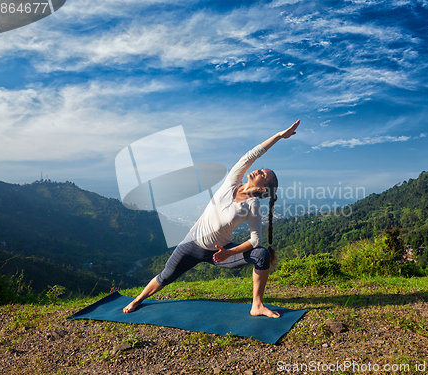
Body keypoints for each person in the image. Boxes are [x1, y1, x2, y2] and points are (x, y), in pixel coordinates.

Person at [123, 120, 300, 317]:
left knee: (262, 254)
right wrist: (278, 136)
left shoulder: (252, 206)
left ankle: (257, 305)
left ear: (261, 188)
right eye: (261, 169)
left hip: (219, 252)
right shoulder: (232, 183)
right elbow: (250, 156)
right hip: (192, 244)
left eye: (262, 174)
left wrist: (228, 252)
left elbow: (256, 240)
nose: (258, 170)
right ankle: (138, 299)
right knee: (166, 276)